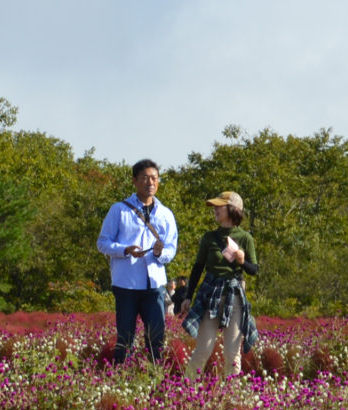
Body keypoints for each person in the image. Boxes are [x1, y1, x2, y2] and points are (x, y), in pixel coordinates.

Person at [97, 159, 178, 362]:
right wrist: (125, 250)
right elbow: (102, 242)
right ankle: (121, 378)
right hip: (126, 285)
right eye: (145, 178)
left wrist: (161, 253)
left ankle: (155, 379)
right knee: (125, 338)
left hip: (155, 285)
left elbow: (171, 248)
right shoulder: (119, 210)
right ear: (134, 181)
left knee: (156, 338)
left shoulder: (166, 214)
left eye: (154, 178)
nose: (150, 182)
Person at [183, 191, 261, 377]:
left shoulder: (245, 238)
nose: (216, 210)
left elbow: (254, 270)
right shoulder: (209, 238)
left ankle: (231, 397)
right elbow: (197, 268)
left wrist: (241, 261)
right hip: (210, 297)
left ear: (233, 209)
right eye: (215, 206)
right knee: (203, 349)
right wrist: (188, 296)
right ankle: (184, 391)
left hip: (234, 298)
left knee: (232, 353)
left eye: (220, 206)